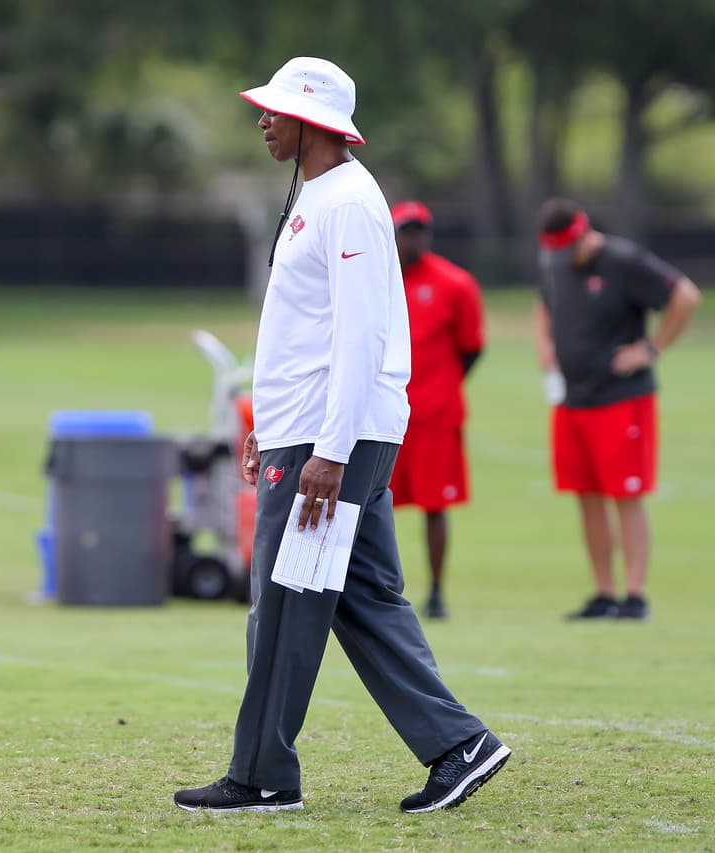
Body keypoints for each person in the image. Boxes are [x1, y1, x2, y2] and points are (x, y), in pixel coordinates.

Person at [173, 57, 509, 815]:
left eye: (276, 108)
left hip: (333, 440)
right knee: (360, 596)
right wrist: (267, 417)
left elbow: (361, 337)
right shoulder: (322, 197)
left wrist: (328, 449)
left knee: (285, 600)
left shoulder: (349, 203)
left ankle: (261, 775)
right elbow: (300, 331)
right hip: (313, 431)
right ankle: (460, 746)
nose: (262, 119)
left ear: (314, 120)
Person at [534, 198, 702, 621]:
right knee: (586, 496)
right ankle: (604, 592)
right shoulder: (556, 262)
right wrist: (546, 346)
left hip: (621, 400)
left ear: (584, 234)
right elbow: (544, 303)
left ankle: (635, 594)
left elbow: (686, 296)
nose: (562, 258)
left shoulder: (624, 260)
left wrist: (650, 348)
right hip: (573, 399)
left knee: (626, 495)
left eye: (568, 249)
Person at [388, 201, 486, 619]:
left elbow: (471, 347)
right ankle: (380, 590)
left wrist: (439, 387)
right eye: (405, 231)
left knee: (435, 505)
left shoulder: (455, 283)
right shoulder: (377, 278)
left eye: (419, 232)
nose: (412, 239)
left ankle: (437, 591)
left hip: (434, 414)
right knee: (374, 504)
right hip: (385, 412)